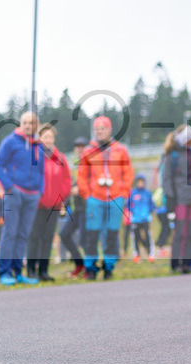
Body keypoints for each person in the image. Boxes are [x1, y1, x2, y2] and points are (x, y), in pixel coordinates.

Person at [77, 115, 134, 279]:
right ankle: (91, 268)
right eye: (97, 129)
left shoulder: (120, 150)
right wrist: (87, 195)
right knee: (92, 234)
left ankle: (108, 266)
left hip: (116, 198)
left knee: (111, 234)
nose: (100, 131)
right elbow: (81, 175)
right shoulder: (89, 151)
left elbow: (128, 172)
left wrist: (124, 192)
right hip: (95, 198)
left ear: (109, 130)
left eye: (103, 128)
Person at [0, 111, 44, 285]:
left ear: (37, 126)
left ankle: (17, 272)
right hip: (15, 192)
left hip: (32, 196)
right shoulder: (10, 141)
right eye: (25, 122)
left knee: (23, 234)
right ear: (21, 124)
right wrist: (9, 186)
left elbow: (41, 171)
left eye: (32, 123)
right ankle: (4, 273)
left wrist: (40, 190)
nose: (28, 125)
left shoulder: (38, 145)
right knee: (10, 233)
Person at [26, 123, 71, 281]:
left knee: (47, 238)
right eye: (45, 137)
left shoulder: (60, 158)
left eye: (51, 137)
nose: (48, 140)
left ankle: (43, 271)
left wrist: (62, 197)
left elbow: (66, 180)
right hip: (38, 205)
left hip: (54, 205)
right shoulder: (34, 156)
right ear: (40, 138)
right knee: (34, 237)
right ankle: (31, 269)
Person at [163, 125, 191, 273]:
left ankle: (187, 263)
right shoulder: (172, 156)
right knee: (179, 233)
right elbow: (166, 179)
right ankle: (175, 263)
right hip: (179, 200)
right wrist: (170, 199)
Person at [57, 137, 88, 272]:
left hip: (88, 207)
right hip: (76, 208)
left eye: (82, 146)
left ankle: (90, 267)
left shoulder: (90, 163)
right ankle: (80, 264)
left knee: (85, 239)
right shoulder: (76, 165)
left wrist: (79, 189)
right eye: (77, 147)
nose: (79, 149)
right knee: (64, 234)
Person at [128, 174, 155, 262]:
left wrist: (148, 212)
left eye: (142, 181)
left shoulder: (147, 193)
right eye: (138, 181)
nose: (140, 183)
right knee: (136, 237)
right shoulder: (132, 193)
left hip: (146, 219)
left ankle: (150, 254)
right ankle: (137, 255)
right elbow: (128, 205)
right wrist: (133, 212)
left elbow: (152, 204)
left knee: (147, 236)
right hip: (135, 219)